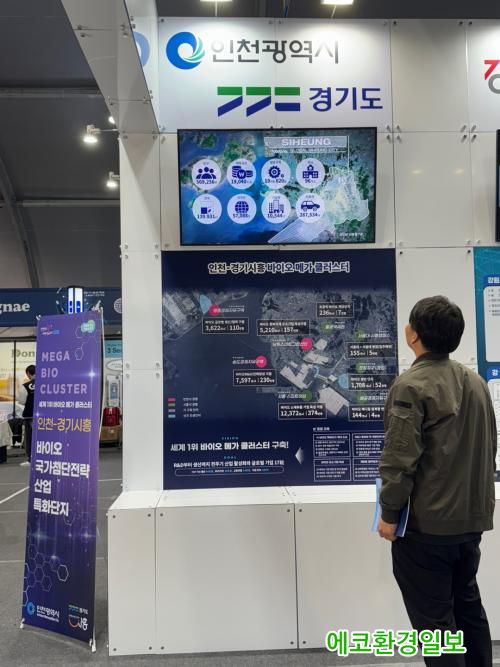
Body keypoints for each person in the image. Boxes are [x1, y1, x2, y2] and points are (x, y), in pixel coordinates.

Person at [378, 296, 496, 667]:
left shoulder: (411, 386)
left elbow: (399, 459)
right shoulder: (476, 382)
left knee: (435, 626)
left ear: (413, 335)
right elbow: (489, 446)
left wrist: (389, 513)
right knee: (467, 608)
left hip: (426, 528)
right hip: (469, 523)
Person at [18, 365, 35, 467]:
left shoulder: (26, 386)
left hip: (29, 415)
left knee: (29, 438)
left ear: (28, 373)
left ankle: (30, 459)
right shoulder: (46, 384)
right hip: (44, 417)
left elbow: (22, 401)